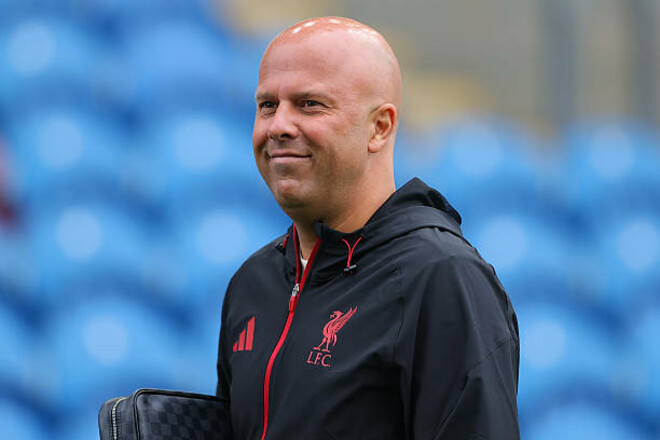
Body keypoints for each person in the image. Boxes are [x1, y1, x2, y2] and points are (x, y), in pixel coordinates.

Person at [216, 16, 520, 439]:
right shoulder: (252, 282)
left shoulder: (440, 277)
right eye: (268, 105)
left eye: (309, 104)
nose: (279, 125)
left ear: (380, 127)